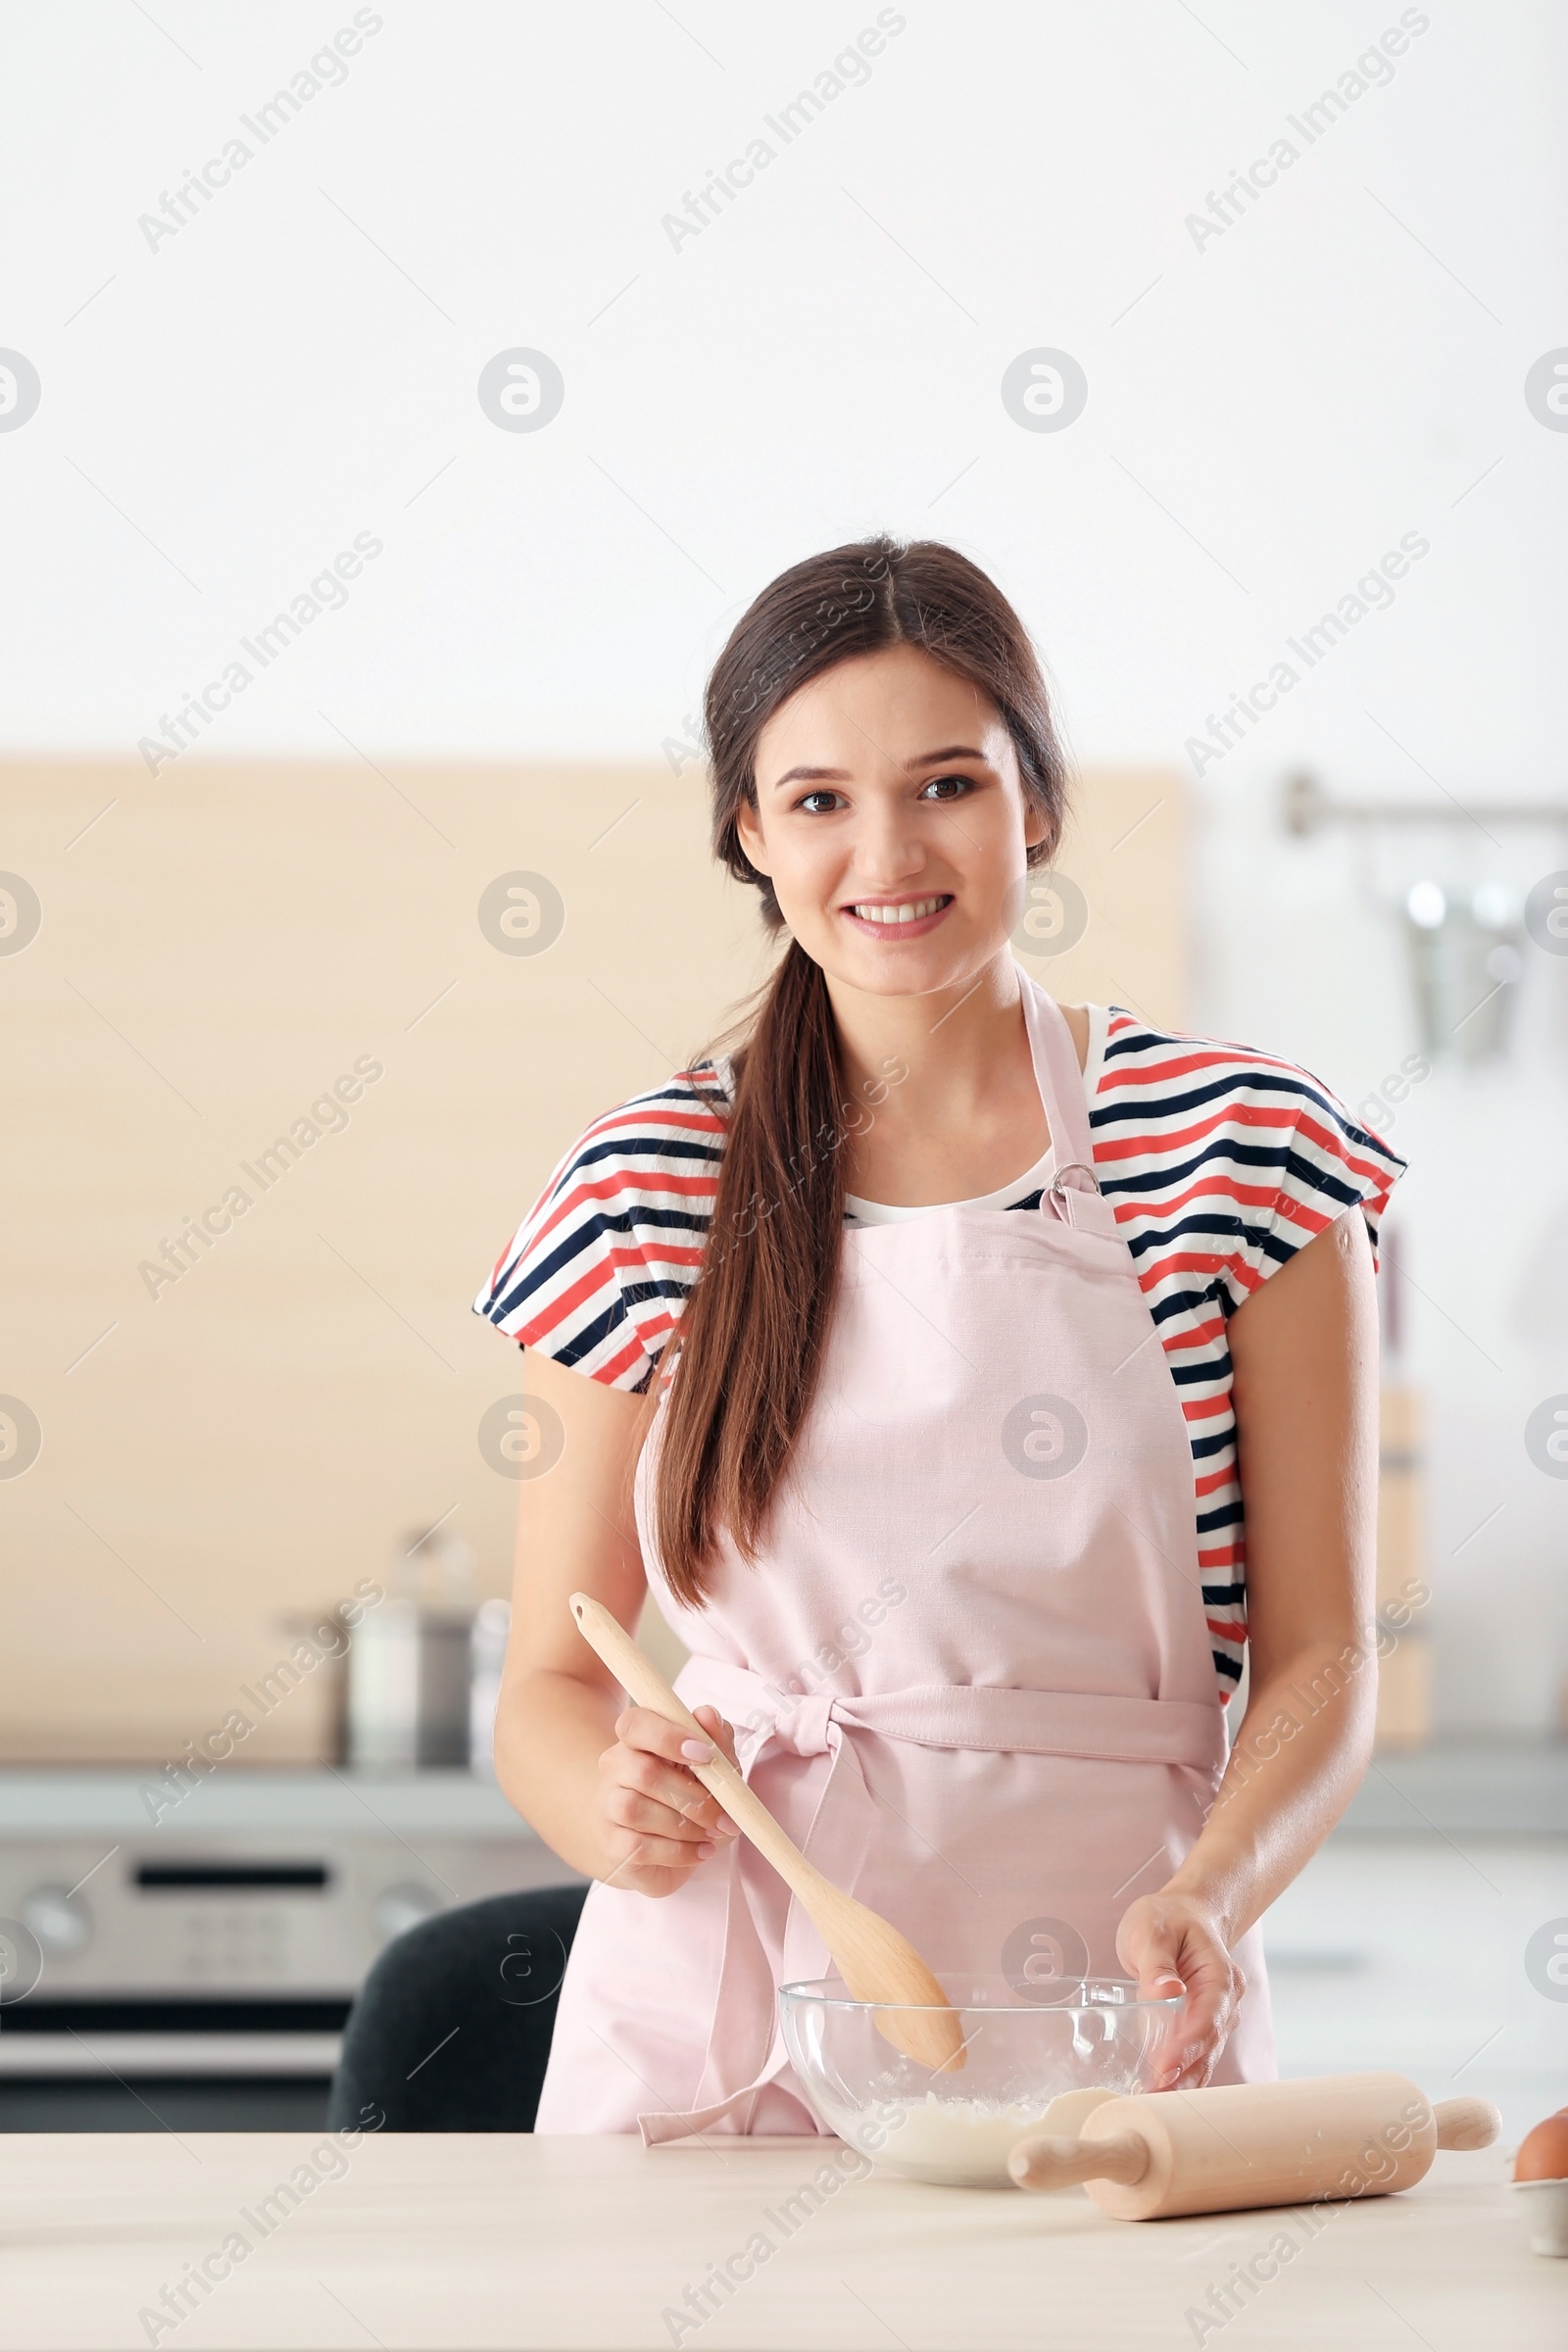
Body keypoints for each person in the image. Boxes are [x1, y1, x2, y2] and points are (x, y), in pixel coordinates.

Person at [474, 537, 1402, 2141]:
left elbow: (1326, 1655)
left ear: (1036, 802)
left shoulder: (1239, 1145)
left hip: (1120, 1997)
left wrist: (1214, 1893)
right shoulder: (648, 1184)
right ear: (750, 835)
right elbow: (555, 1681)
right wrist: (607, 1809)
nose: (888, 850)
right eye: (820, 799)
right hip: (724, 2012)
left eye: (947, 784)